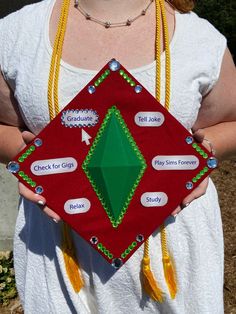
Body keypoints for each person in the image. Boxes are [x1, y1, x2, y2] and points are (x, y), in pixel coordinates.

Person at [0, 0, 236, 313]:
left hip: (171, 250)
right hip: (59, 252)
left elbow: (230, 124)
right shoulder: (16, 33)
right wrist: (32, 162)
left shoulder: (202, 38)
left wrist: (201, 156)